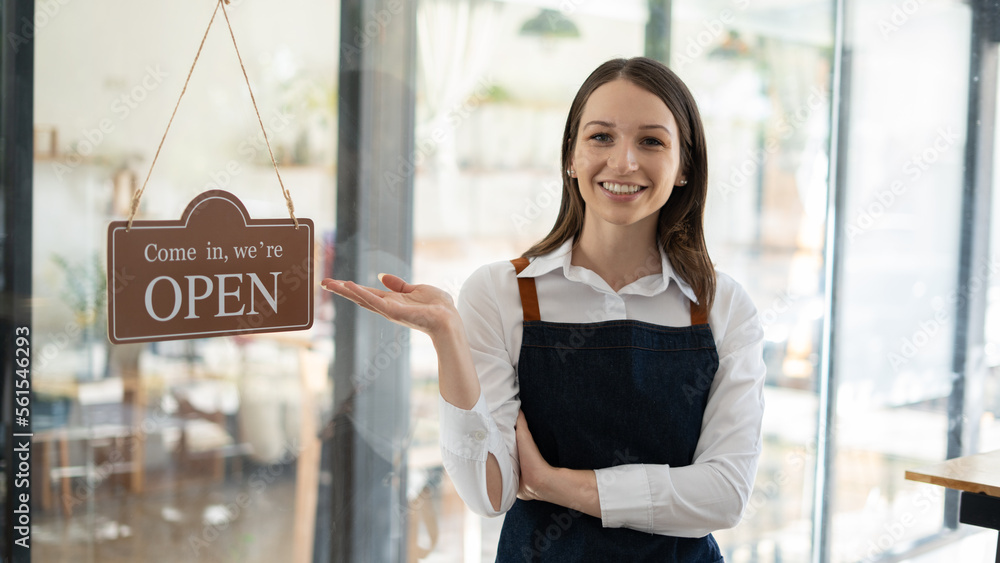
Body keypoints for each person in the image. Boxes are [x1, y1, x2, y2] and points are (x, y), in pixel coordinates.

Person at [322, 56, 765, 562]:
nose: (623, 162)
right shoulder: (501, 292)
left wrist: (557, 485)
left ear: (684, 165)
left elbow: (726, 495)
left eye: (651, 141)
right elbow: (489, 494)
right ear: (570, 157)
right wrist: (448, 338)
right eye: (601, 137)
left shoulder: (722, 306)